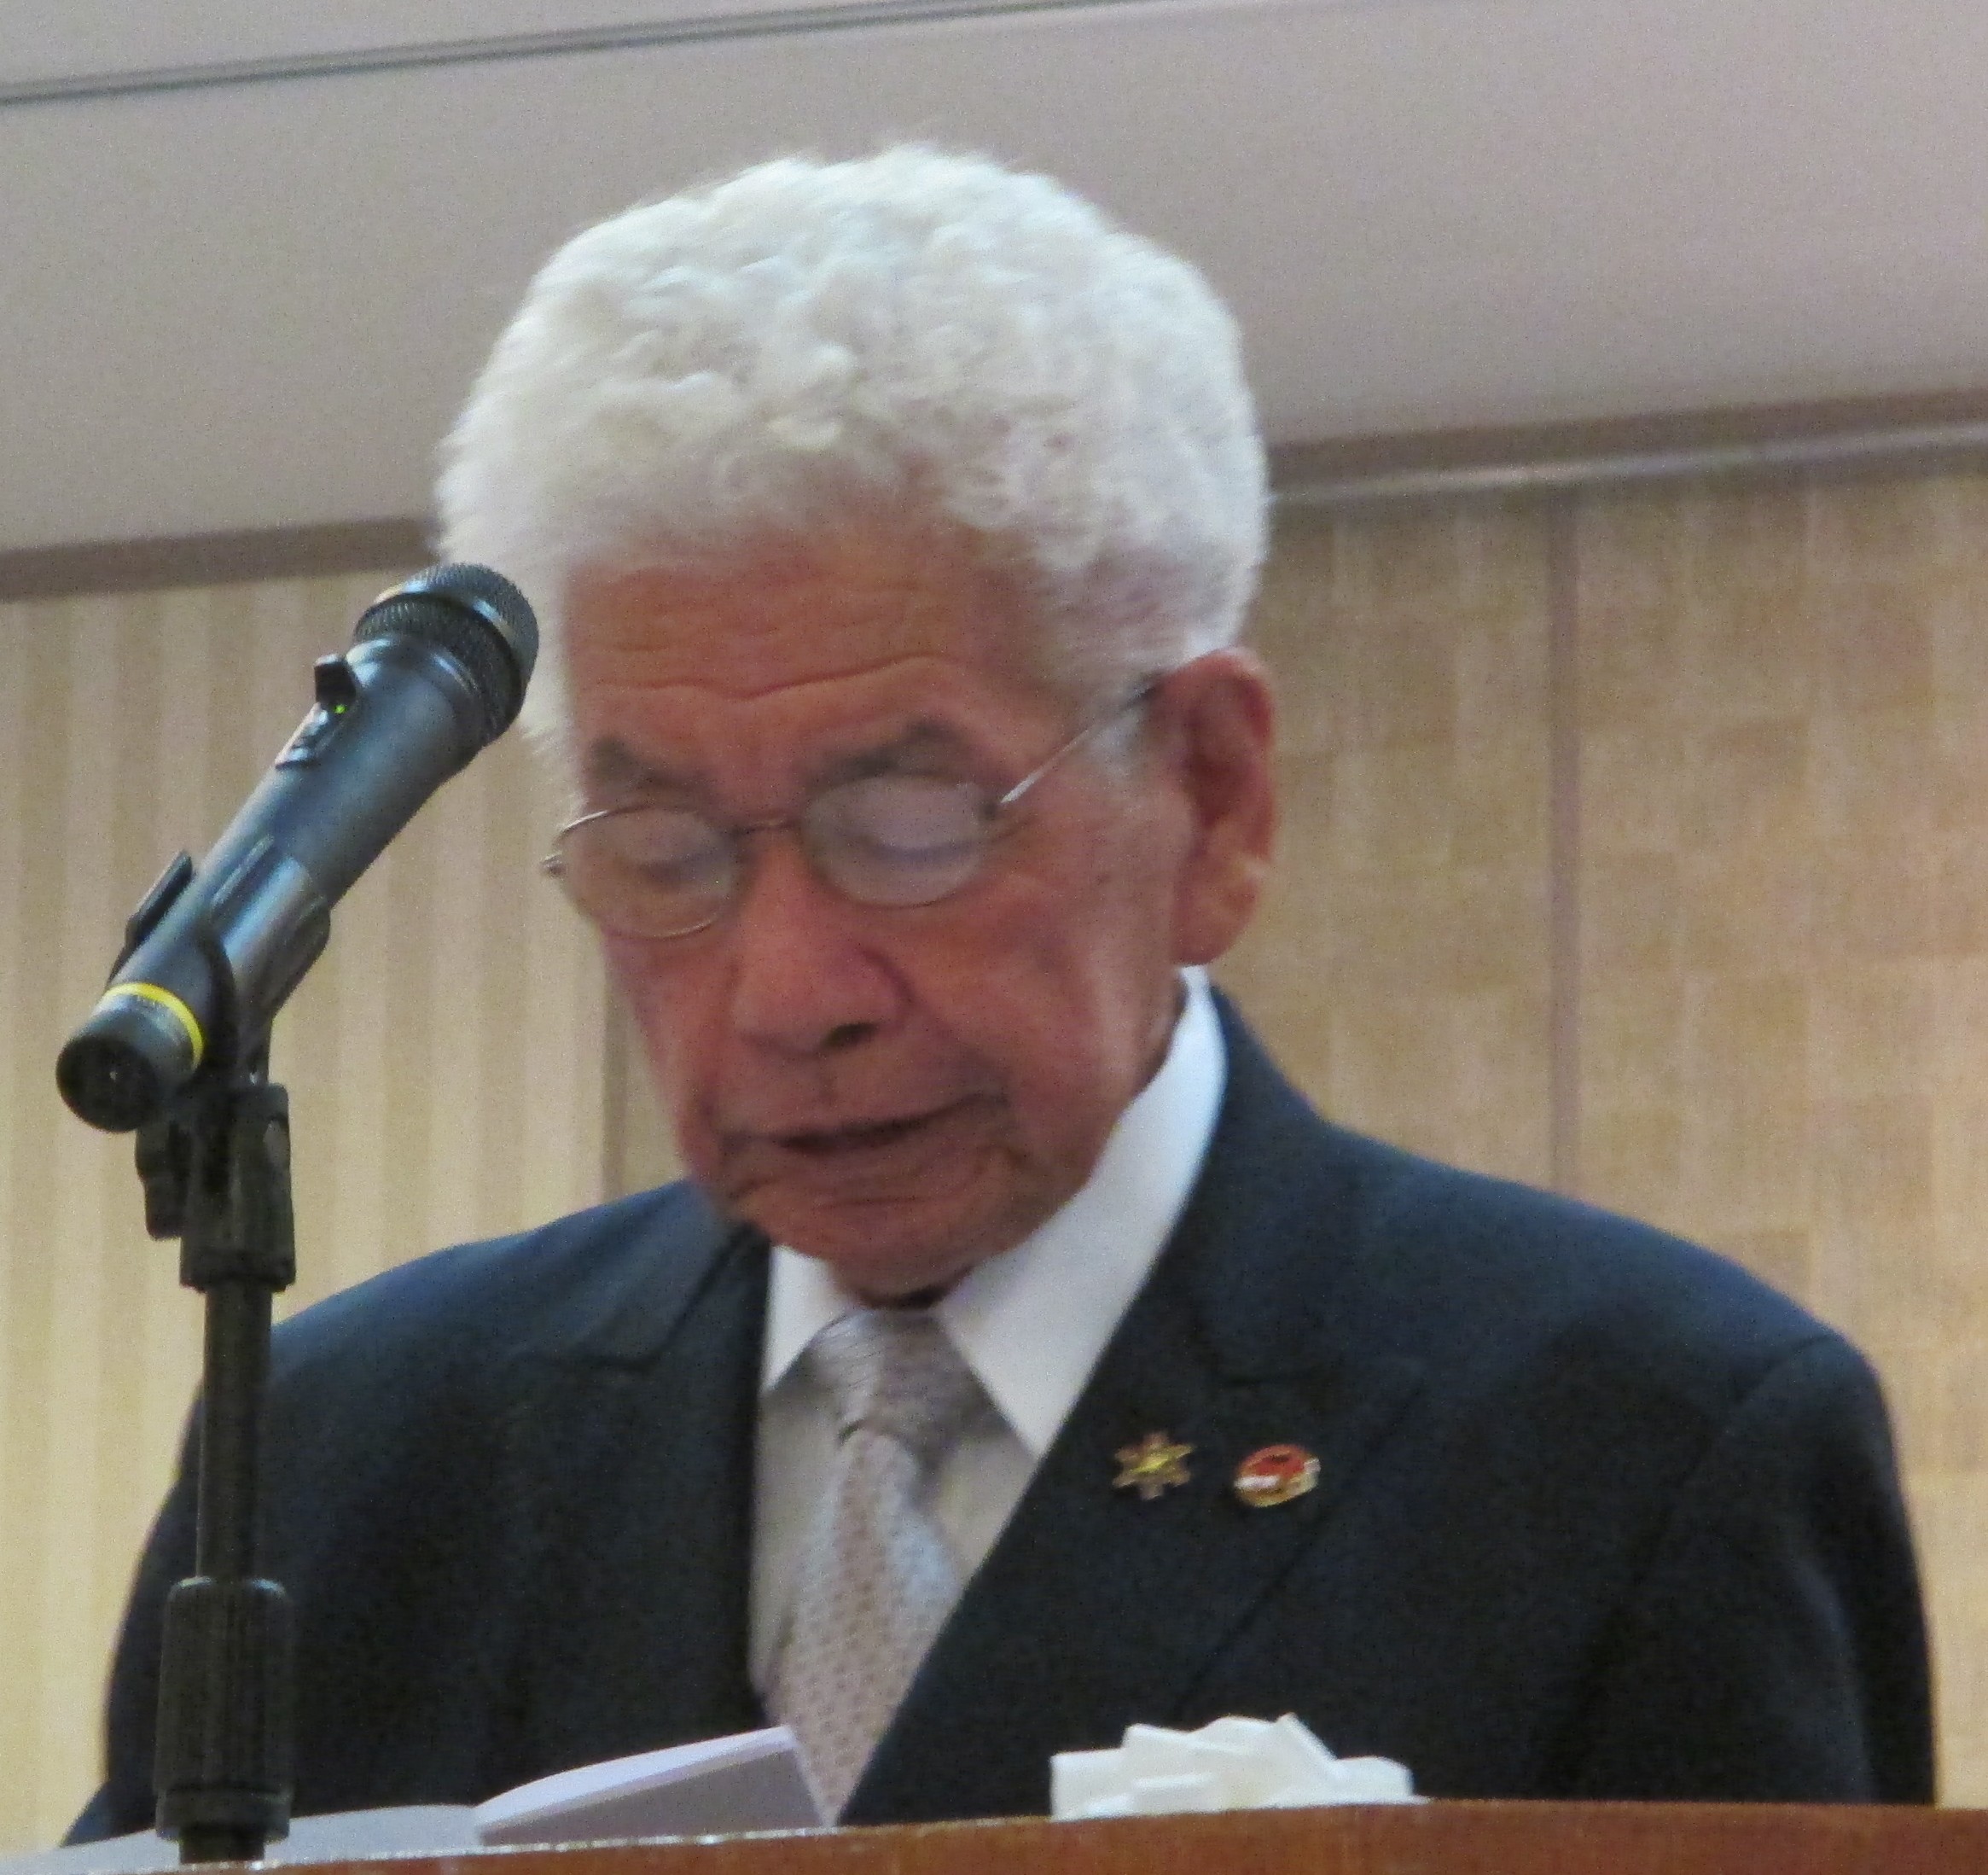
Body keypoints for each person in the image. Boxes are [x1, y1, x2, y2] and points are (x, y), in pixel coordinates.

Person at [73, 147, 1932, 1840]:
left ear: (1211, 796)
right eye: (668, 851)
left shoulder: (1638, 1450)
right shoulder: (360, 1452)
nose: (787, 992)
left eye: (908, 827)